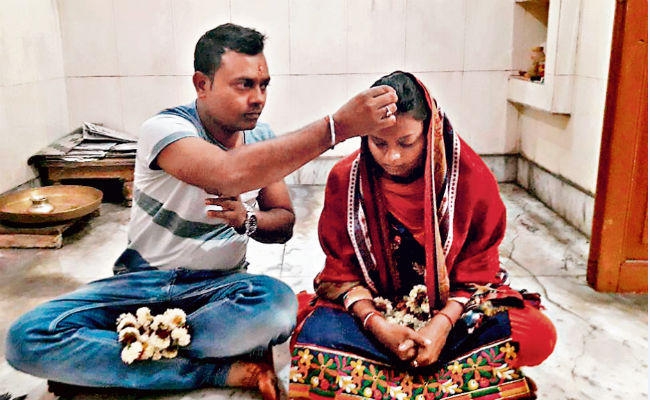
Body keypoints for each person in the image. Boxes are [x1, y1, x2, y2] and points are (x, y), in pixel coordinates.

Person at [5, 23, 398, 399]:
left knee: (277, 307)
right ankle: (216, 369)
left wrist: (247, 220)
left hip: (217, 292)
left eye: (263, 85)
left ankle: (122, 354)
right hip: (141, 285)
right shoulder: (165, 129)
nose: (258, 98)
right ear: (201, 84)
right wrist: (336, 127)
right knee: (28, 337)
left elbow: (283, 223)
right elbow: (227, 172)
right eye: (244, 84)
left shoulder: (261, 138)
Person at [289, 71, 556, 400]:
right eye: (379, 143)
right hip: (376, 311)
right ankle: (454, 382)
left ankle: (378, 383)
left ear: (430, 131)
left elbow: (478, 272)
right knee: (306, 331)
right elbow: (341, 273)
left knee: (537, 335)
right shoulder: (346, 180)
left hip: (453, 312)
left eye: (406, 142)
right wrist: (378, 325)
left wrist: (440, 325)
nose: (393, 157)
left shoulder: (469, 178)